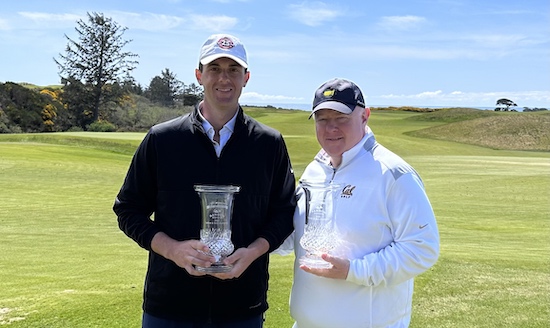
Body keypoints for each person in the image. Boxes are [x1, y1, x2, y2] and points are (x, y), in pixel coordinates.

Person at [113, 33, 296, 328]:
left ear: (246, 77)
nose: (224, 79)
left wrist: (252, 253)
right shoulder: (163, 139)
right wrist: (172, 249)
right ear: (199, 75)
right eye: (215, 69)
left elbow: (285, 213)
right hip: (170, 306)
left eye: (233, 70)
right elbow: (128, 209)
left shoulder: (269, 143)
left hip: (242, 306)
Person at [277, 78, 440, 327]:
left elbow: (422, 248)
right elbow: (293, 237)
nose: (331, 128)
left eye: (341, 118)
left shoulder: (393, 173)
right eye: (322, 119)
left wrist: (353, 271)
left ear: (365, 116)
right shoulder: (314, 171)